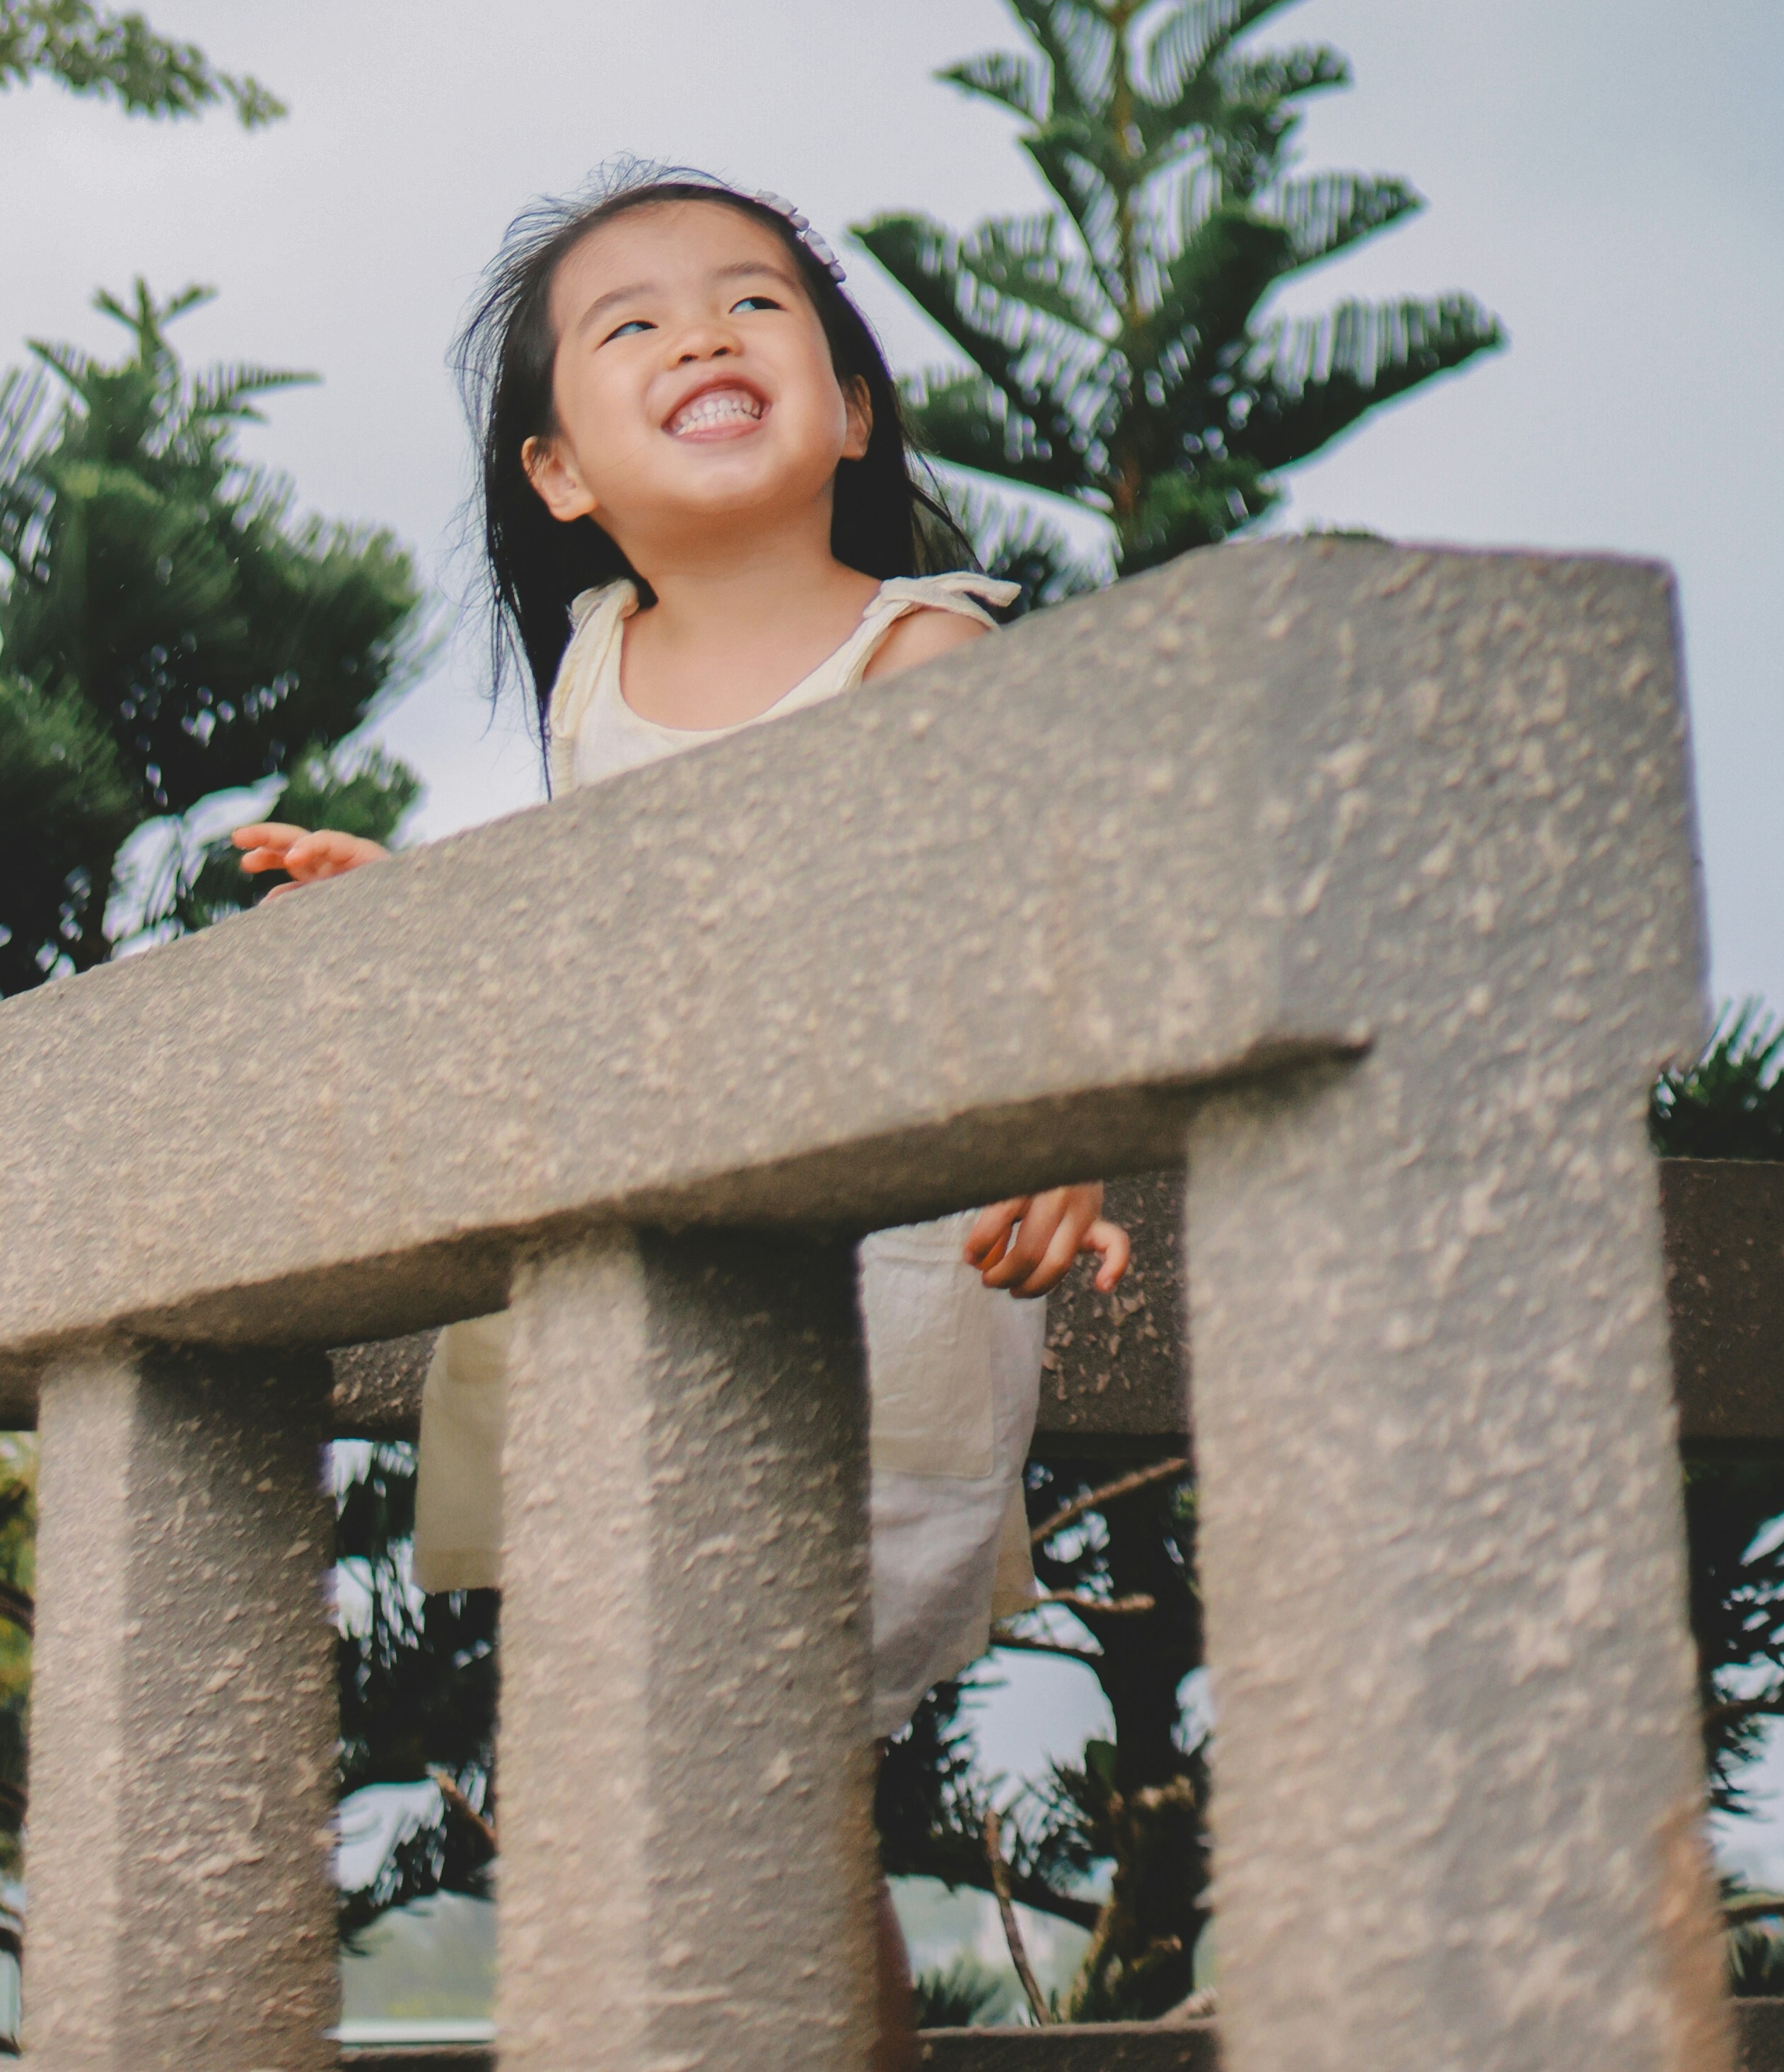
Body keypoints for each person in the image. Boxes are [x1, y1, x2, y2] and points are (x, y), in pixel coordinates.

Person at [232, 165, 1128, 2063]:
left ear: (851, 408)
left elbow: (1026, 937)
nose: (703, 334)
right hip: (640, 1310)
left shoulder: (920, 651)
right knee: (692, 1784)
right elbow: (605, 963)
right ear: (559, 470)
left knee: (767, 1768)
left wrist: (1062, 1132)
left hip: (868, 1299)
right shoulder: (597, 666)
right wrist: (417, 910)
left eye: (753, 302)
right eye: (630, 323)